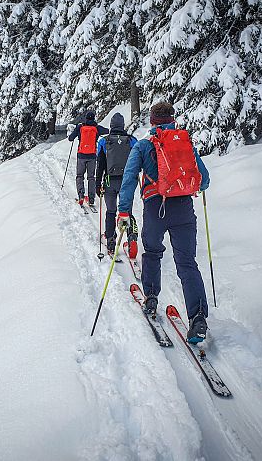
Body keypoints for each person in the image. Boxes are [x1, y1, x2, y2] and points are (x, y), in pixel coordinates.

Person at [117, 102, 210, 343]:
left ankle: (151, 298)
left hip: (155, 207)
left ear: (152, 121)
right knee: (187, 263)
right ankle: (198, 317)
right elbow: (205, 179)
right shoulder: (184, 142)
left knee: (152, 253)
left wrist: (124, 211)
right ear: (172, 118)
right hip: (183, 209)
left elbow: (129, 178)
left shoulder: (144, 146)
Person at [95, 112, 138, 256]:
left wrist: (97, 184)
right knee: (127, 212)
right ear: (123, 125)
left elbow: (100, 164)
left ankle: (111, 241)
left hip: (109, 182)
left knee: (111, 211)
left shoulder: (104, 141)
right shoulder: (132, 141)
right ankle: (132, 240)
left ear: (111, 126)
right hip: (127, 182)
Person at [68, 111, 108, 206]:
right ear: (94, 118)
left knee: (80, 176)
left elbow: (70, 138)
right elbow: (107, 131)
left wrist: (77, 133)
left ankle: (81, 195)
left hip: (81, 155)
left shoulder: (80, 127)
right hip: (92, 156)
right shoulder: (97, 128)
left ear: (86, 118)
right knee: (91, 177)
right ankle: (91, 199)